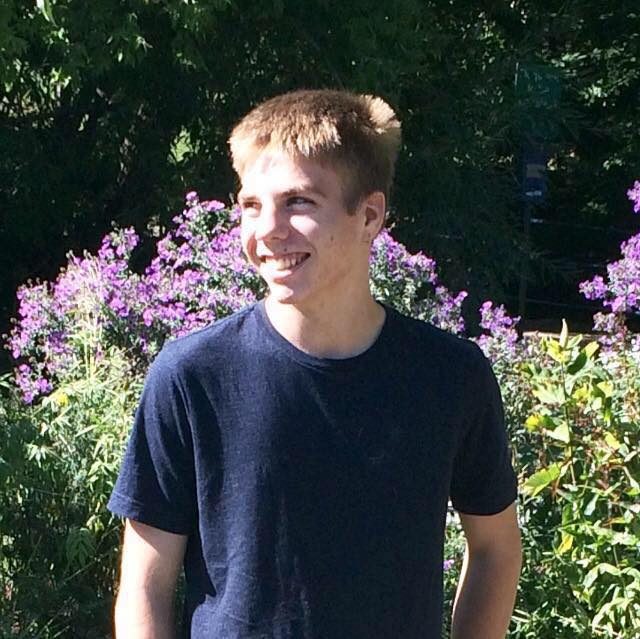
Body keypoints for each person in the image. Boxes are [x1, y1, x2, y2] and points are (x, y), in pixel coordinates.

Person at [108, 89, 522, 639]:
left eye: (298, 202)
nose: (267, 230)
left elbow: (495, 548)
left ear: (369, 215)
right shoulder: (192, 376)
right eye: (251, 205)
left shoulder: (450, 377)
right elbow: (144, 583)